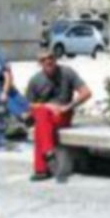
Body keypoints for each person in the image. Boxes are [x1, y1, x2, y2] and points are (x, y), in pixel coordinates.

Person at [25, 50, 92, 181]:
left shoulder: (67, 72)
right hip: (44, 115)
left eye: (50, 57)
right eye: (43, 59)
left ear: (55, 58)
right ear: (39, 63)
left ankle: (42, 168)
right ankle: (49, 156)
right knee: (42, 117)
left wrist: (68, 106)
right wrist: (47, 106)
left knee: (40, 122)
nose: (48, 61)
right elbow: (28, 105)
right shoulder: (35, 80)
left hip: (62, 114)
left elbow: (87, 92)